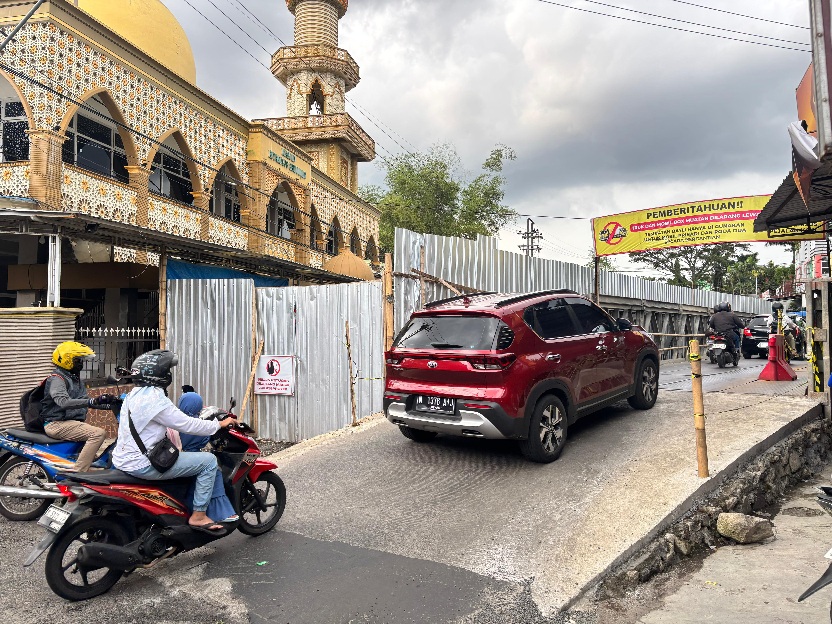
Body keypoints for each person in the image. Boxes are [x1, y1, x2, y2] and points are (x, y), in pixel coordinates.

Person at [112, 350, 236, 533]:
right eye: (167, 370)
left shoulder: (134, 395)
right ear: (160, 374)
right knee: (209, 462)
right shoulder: (154, 398)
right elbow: (186, 424)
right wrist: (218, 424)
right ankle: (199, 516)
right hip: (143, 463)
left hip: (123, 460)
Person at [41, 341, 114, 472]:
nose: (81, 363)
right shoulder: (57, 379)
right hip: (56, 423)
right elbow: (63, 402)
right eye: (78, 360)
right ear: (67, 360)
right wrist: (92, 401)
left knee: (96, 462)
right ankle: (78, 473)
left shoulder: (75, 380)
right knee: (98, 434)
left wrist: (112, 404)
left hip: (70, 422)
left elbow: (86, 401)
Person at [175, 391, 238, 523]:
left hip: (175, 456)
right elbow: (206, 431)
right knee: (214, 469)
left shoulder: (177, 419)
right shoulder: (193, 423)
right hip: (189, 458)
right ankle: (221, 513)